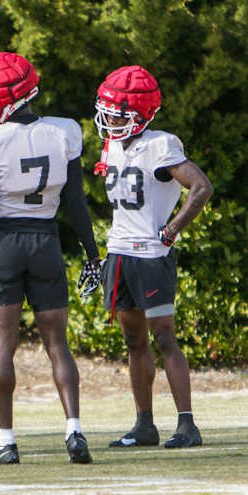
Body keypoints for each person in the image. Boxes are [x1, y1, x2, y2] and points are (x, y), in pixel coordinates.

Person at [0, 52, 101, 465]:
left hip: (4, 243)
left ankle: (6, 443)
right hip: (46, 239)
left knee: (3, 344)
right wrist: (92, 255)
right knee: (58, 344)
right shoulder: (64, 131)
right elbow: (76, 202)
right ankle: (74, 431)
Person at [92, 65, 213, 448]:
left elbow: (200, 187)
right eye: (107, 110)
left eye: (118, 113)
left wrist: (171, 230)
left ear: (141, 115)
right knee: (133, 341)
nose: (109, 118)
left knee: (165, 339)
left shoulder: (160, 145)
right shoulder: (112, 144)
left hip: (151, 255)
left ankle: (187, 425)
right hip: (120, 253)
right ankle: (144, 425)